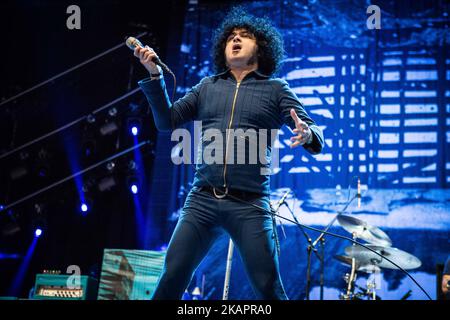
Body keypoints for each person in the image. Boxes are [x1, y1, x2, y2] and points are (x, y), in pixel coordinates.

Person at [134, 8, 324, 300]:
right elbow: (166, 121)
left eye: (244, 37)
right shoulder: (207, 87)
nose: (235, 39)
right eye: (230, 37)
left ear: (260, 48)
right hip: (202, 201)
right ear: (222, 49)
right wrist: (155, 76)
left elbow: (314, 134)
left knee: (268, 287)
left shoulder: (276, 89)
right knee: (171, 276)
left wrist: (308, 133)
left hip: (250, 206)